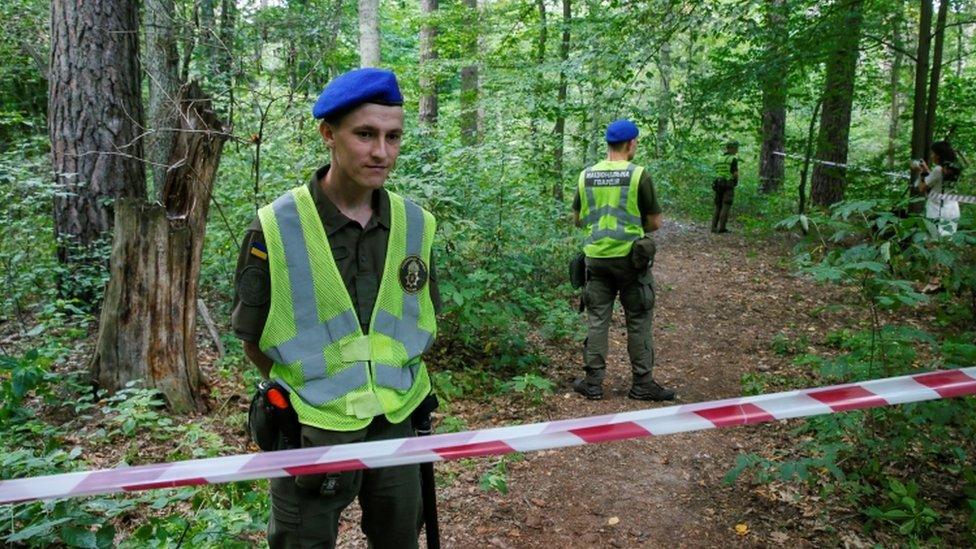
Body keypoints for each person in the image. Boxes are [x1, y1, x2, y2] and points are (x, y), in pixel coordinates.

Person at [231, 68, 440, 549]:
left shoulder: (415, 224)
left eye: (393, 136)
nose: (381, 152)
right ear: (328, 134)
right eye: (365, 134)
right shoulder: (275, 226)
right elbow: (252, 337)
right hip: (310, 429)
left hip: (398, 422)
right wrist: (313, 391)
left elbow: (421, 319)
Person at [570, 119, 675, 402]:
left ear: (608, 144)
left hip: (596, 260)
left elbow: (578, 219)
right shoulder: (639, 175)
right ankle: (642, 383)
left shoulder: (586, 175)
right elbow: (654, 222)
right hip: (631, 260)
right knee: (639, 318)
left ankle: (593, 383)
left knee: (597, 320)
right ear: (631, 144)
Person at [912, 140, 962, 237]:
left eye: (933, 153)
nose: (931, 156)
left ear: (938, 155)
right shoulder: (954, 169)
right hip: (952, 209)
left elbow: (922, 188)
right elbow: (938, 182)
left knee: (933, 242)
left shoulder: (938, 170)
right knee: (947, 243)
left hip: (937, 211)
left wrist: (921, 171)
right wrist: (926, 169)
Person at [710, 140, 739, 233]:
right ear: (731, 148)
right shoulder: (733, 159)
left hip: (718, 183)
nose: (737, 150)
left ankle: (713, 227)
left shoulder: (719, 159)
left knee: (718, 206)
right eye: (736, 148)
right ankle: (722, 228)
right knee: (726, 205)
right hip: (728, 184)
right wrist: (735, 182)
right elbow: (735, 173)